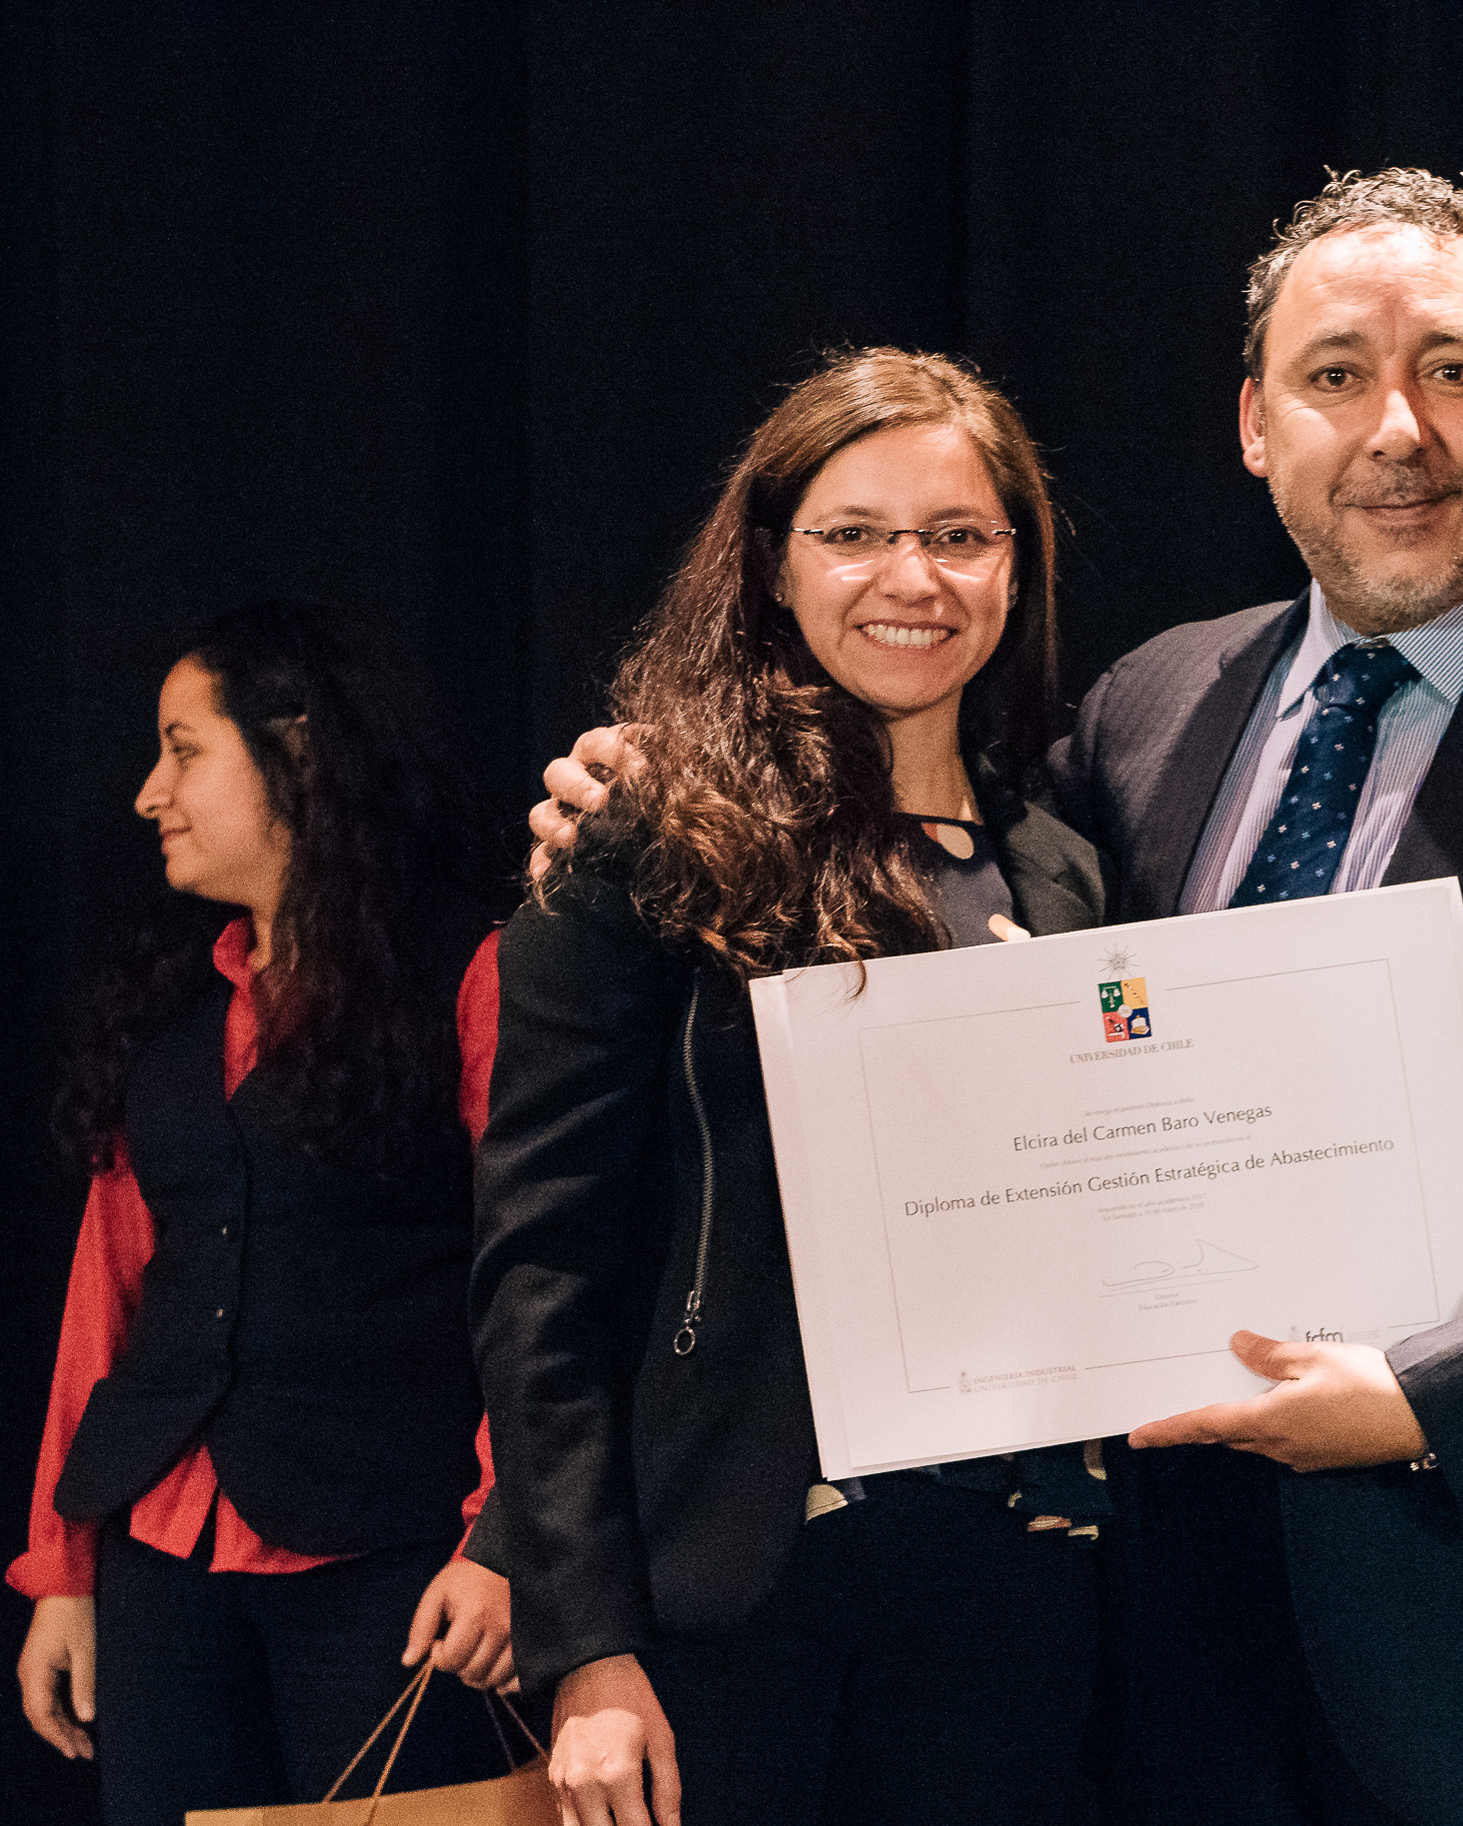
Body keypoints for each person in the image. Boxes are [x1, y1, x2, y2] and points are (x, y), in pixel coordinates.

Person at [535, 175, 1463, 1826]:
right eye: (1334, 375)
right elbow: (947, 921)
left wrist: (1431, 1392)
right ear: (1253, 425)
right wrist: (648, 795)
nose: (1396, 429)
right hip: (1167, 1643)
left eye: (1454, 371)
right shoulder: (1147, 711)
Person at [473, 348, 1109, 1826]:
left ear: (1015, 566)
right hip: (727, 1592)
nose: (913, 578)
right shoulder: (648, 836)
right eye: (855, 533)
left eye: (959, 535)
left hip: (1008, 1588)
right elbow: (539, 1269)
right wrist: (588, 1648)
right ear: (773, 564)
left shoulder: (1064, 870)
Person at [11, 602, 519, 1826]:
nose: (151, 793)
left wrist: (506, 1539)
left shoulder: (472, 971)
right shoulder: (173, 1006)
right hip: (163, 1554)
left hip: (394, 1555)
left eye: (184, 750)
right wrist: (63, 1567)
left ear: (297, 748)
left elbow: (540, 1280)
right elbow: (110, 1294)